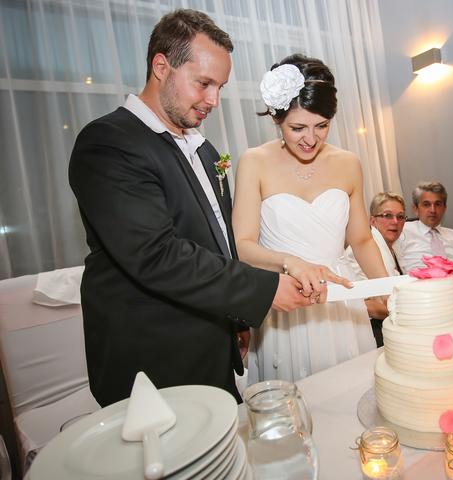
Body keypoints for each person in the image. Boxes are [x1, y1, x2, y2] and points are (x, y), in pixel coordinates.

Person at [68, 10, 309, 407]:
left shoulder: (205, 150)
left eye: (220, 87)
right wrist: (263, 290)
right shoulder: (109, 143)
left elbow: (218, 241)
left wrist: (235, 319)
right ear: (161, 66)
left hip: (212, 347)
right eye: (204, 83)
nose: (214, 100)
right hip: (152, 364)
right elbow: (156, 254)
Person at [232, 54, 389, 383]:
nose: (311, 139)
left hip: (340, 299)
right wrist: (290, 262)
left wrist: (388, 290)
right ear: (277, 118)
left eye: (322, 126)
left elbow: (361, 240)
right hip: (286, 300)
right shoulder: (254, 162)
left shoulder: (348, 163)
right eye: (297, 128)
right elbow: (243, 246)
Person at [346, 192, 406, 347]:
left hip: (388, 321)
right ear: (372, 221)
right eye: (388, 215)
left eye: (400, 217)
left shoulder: (394, 248)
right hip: (372, 329)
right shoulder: (367, 250)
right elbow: (367, 306)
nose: (395, 222)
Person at [395, 181, 453, 277]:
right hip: (420, 284)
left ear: (444, 208)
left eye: (437, 204)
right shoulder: (402, 231)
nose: (433, 210)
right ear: (415, 209)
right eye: (426, 204)